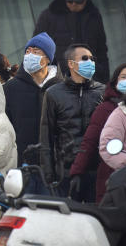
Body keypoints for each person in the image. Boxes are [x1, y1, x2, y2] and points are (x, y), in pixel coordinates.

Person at [40, 43, 106, 198]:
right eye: (84, 58)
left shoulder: (102, 91)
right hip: (67, 172)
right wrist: (49, 176)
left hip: (97, 169)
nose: (90, 62)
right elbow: (46, 137)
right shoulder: (53, 94)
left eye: (91, 59)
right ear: (71, 64)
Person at [71, 63, 126, 203]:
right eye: (124, 77)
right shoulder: (105, 109)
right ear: (116, 81)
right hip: (112, 176)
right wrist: (77, 172)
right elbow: (89, 142)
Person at [33, 0, 109, 81]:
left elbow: (101, 50)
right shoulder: (49, 16)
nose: (73, 4)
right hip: (59, 78)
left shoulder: (93, 17)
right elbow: (37, 47)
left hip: (88, 78)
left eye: (78, 1)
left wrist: (103, 78)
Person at [3, 32, 61, 166]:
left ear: (48, 59)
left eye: (36, 52)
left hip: (56, 161)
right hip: (23, 160)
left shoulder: (61, 87)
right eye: (27, 51)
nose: (30, 55)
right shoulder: (11, 87)